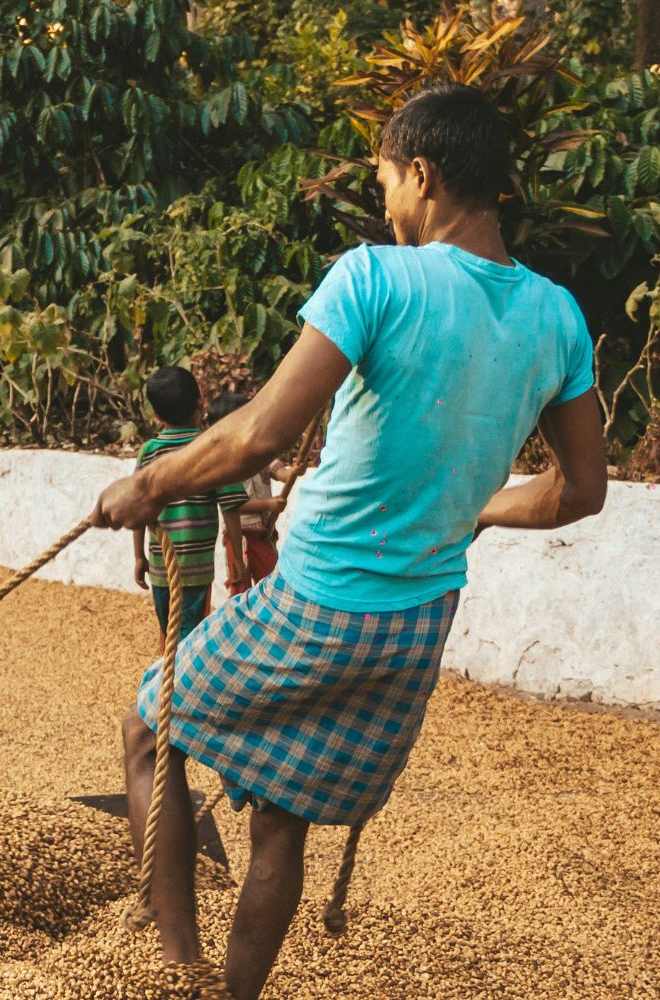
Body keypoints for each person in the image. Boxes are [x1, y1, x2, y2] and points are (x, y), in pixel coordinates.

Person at [91, 84, 608, 999]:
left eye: (387, 183)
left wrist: (146, 484)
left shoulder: (374, 276)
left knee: (148, 730)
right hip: (415, 624)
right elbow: (580, 491)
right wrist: (480, 508)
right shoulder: (557, 317)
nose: (385, 206)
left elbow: (258, 436)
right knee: (280, 826)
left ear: (424, 174)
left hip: (319, 600)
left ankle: (176, 966)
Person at [130, 368, 248, 646]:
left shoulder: (149, 452)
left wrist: (138, 556)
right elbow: (230, 506)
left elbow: (138, 508)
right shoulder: (209, 449)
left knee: (171, 631)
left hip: (160, 567)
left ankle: (171, 682)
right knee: (189, 635)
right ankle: (178, 683)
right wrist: (237, 559)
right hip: (197, 569)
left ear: (156, 415)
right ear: (201, 401)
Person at [204, 393, 289, 597]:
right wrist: (267, 505)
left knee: (271, 585)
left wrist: (293, 473)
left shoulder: (262, 453)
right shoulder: (224, 463)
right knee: (239, 585)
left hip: (263, 534)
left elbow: (279, 471)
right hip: (239, 535)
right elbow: (233, 505)